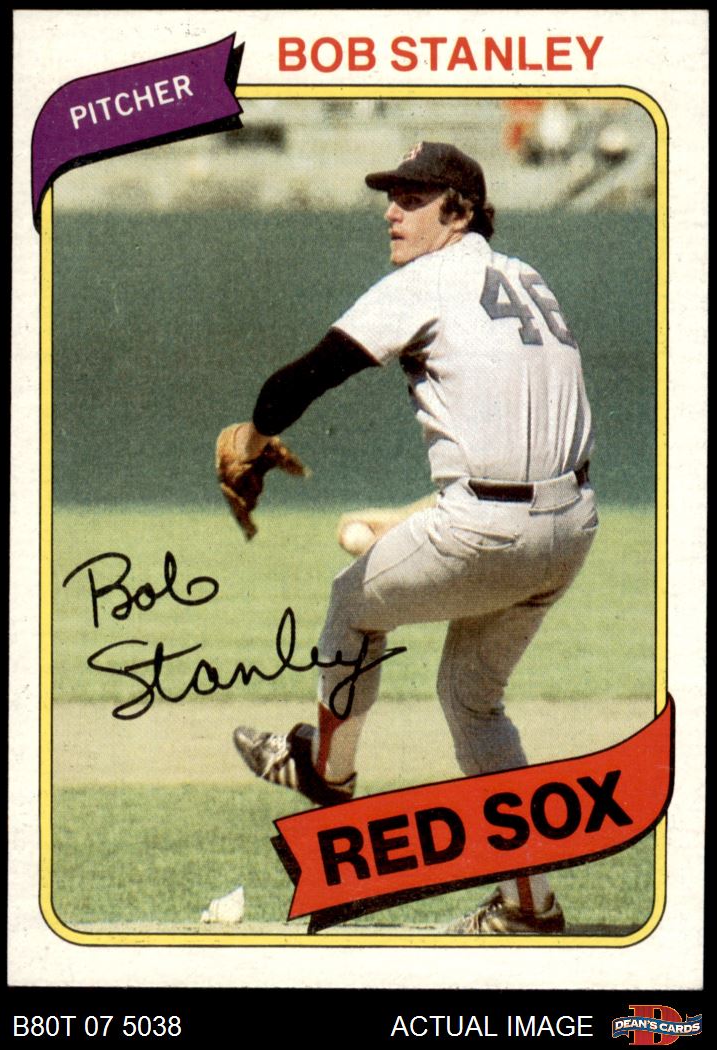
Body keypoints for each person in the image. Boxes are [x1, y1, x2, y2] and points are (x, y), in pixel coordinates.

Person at [230, 141, 597, 934]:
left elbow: (303, 378)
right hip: (567, 527)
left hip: (487, 528)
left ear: (458, 212)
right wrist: (431, 515)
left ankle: (325, 774)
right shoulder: (527, 277)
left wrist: (252, 439)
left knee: (349, 606)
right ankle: (529, 908)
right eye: (390, 196)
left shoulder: (429, 279)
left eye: (412, 197)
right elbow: (516, 441)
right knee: (472, 703)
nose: (391, 212)